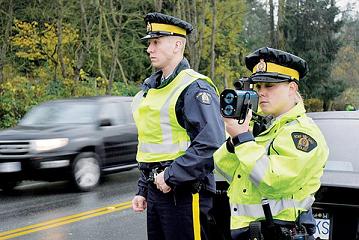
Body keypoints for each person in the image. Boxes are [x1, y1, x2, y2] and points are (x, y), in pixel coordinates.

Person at [214, 47, 329, 240]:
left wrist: (243, 140)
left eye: (269, 86)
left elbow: (273, 182)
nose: (261, 93)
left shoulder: (301, 133)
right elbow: (224, 170)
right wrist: (236, 140)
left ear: (292, 88)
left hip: (279, 232)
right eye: (258, 87)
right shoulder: (262, 128)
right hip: (248, 232)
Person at [131, 12, 225, 240]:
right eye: (149, 43)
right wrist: (143, 188)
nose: (149, 49)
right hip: (158, 190)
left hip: (186, 192)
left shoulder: (194, 88)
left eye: (156, 42)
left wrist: (171, 175)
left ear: (177, 45)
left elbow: (211, 143)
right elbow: (152, 144)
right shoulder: (150, 90)